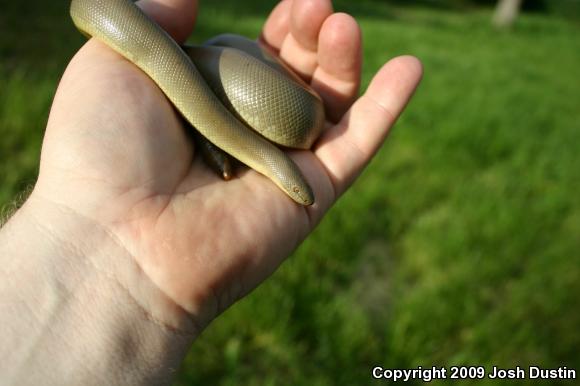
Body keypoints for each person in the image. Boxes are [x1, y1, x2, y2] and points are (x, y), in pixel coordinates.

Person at [0, 0, 422, 384]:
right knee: (226, 62)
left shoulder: (291, 120)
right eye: (297, 191)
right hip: (235, 89)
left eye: (298, 191)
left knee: (248, 72)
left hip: (244, 86)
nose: (301, 196)